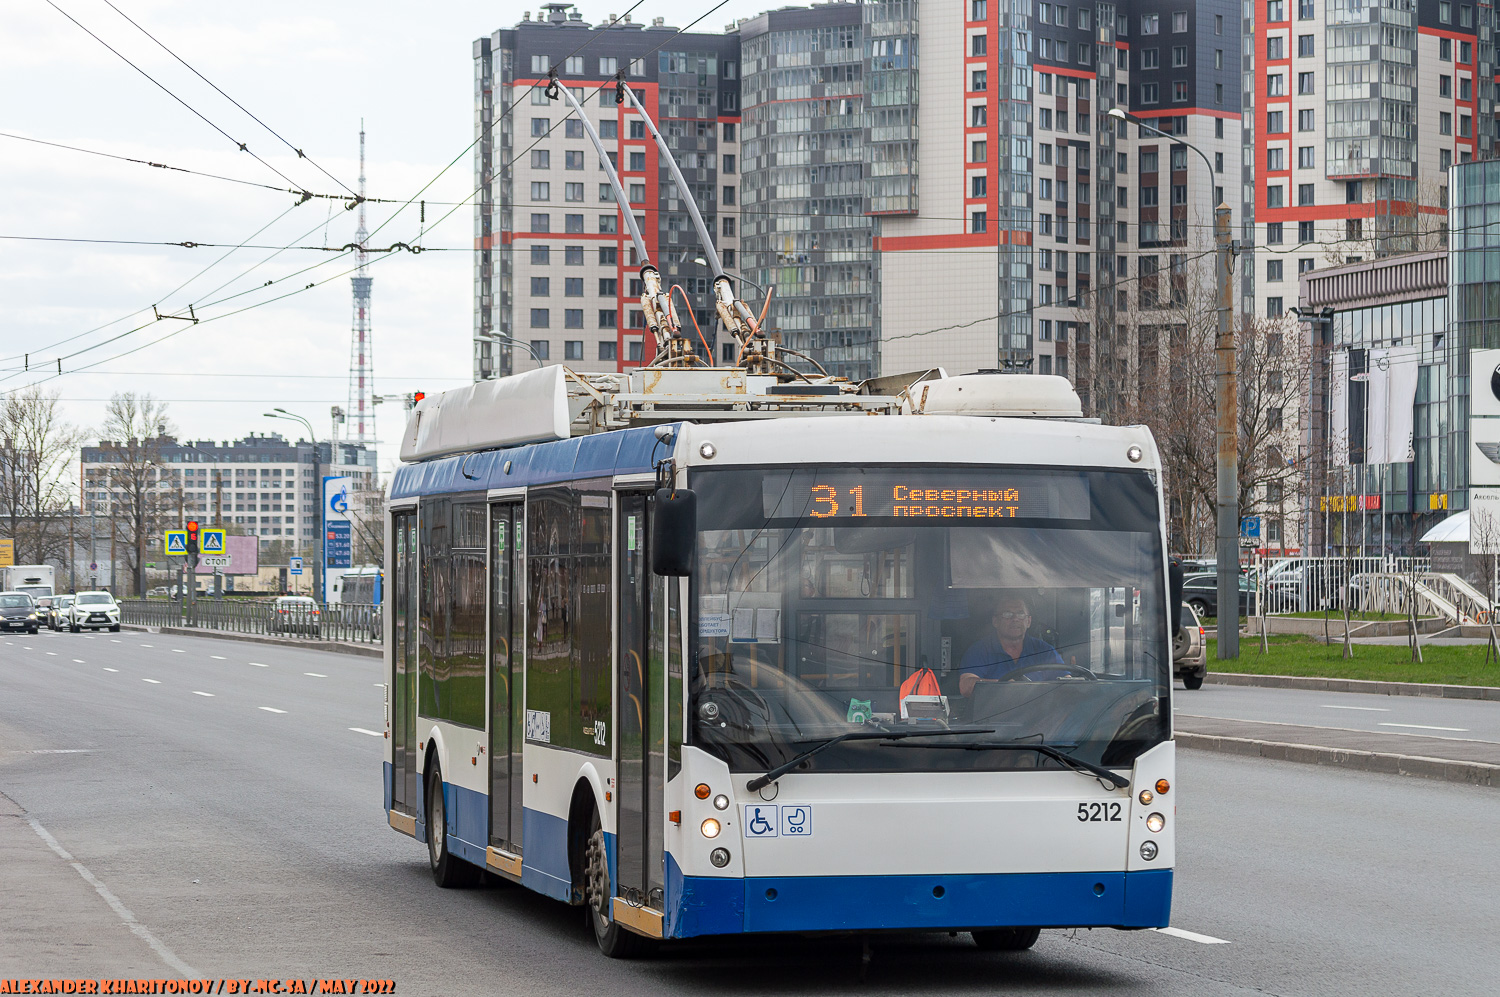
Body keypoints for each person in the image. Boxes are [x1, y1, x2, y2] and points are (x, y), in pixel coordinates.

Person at [958, 593, 1064, 696]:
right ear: (995, 621)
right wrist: (1006, 685)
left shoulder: (1044, 650)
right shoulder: (980, 650)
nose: (1015, 619)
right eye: (1007, 614)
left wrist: (1072, 683)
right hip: (994, 713)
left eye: (1021, 614)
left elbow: (1066, 683)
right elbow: (966, 686)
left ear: (1029, 621)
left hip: (1038, 713)